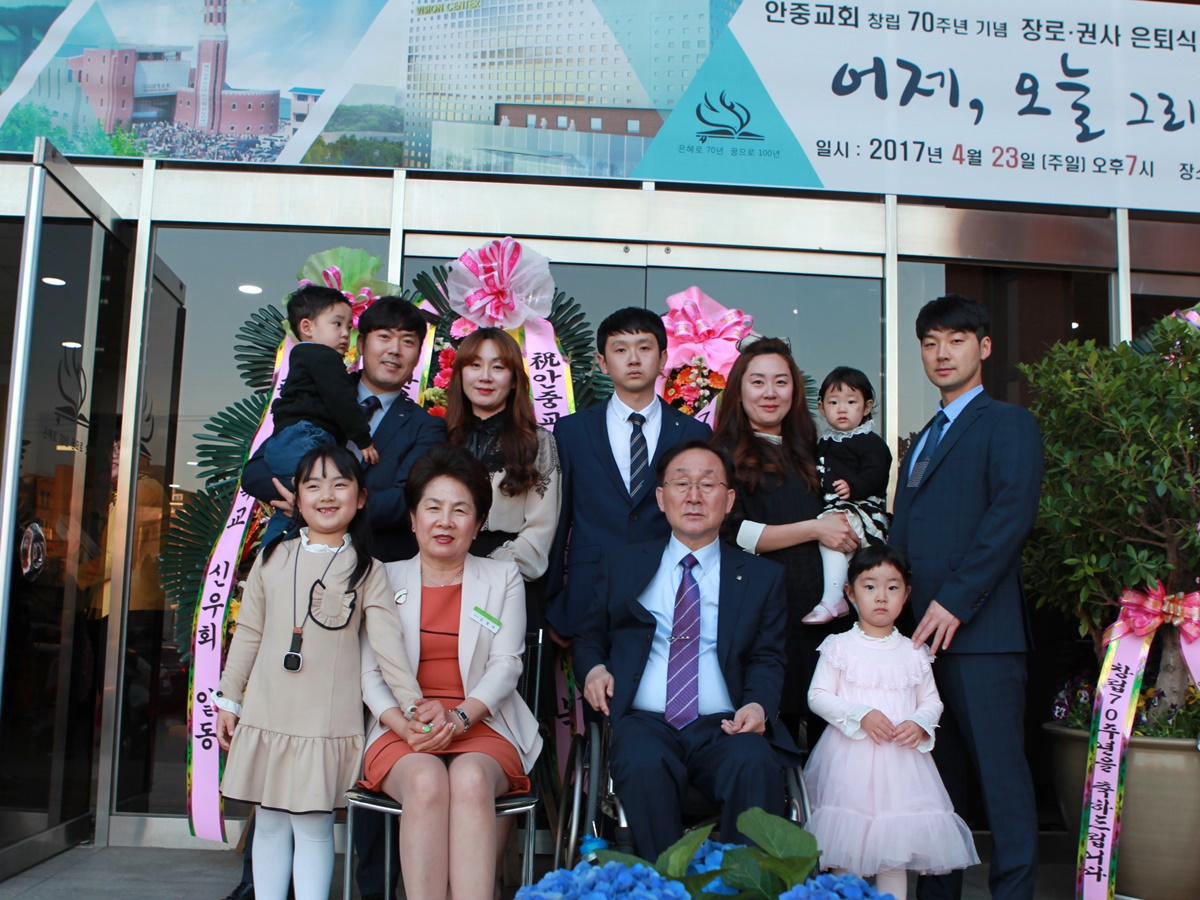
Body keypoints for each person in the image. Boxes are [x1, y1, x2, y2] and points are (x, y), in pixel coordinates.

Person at [239, 295, 446, 900]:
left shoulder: (426, 426)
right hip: (297, 577)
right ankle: (258, 884)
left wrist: (334, 508)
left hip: (376, 581)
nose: (395, 350)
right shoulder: (318, 394)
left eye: (408, 341)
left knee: (366, 738)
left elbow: (411, 496)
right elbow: (256, 470)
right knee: (284, 739)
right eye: (384, 336)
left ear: (418, 355)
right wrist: (302, 501)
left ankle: (371, 886)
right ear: (361, 342)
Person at [214, 446, 428, 900]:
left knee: (313, 826)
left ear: (361, 498)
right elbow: (248, 632)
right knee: (269, 822)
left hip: (324, 723)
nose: (326, 495)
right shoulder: (273, 556)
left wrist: (412, 704)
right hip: (269, 713)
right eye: (313, 485)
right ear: (296, 496)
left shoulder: (369, 570)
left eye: (339, 485)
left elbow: (388, 647)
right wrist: (229, 699)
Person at [573, 440, 798, 859]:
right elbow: (588, 637)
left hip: (725, 724)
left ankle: (744, 884)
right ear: (662, 498)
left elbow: (768, 656)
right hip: (644, 722)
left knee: (754, 762)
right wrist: (594, 669)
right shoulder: (622, 565)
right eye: (682, 484)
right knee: (641, 760)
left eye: (708, 485)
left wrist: (757, 706)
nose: (694, 496)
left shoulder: (761, 577)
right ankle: (664, 883)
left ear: (729, 500)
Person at [889, 294, 1042, 900]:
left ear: (984, 347)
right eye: (930, 343)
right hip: (921, 641)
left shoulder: (1008, 423)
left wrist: (954, 600)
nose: (942, 353)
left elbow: (1009, 517)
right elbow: (906, 532)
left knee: (1001, 780)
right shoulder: (924, 436)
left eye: (956, 340)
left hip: (983, 636)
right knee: (936, 786)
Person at [359, 443, 542, 900]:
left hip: (483, 724)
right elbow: (370, 674)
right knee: (425, 779)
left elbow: (506, 664)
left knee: (470, 778)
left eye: (460, 510)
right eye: (433, 507)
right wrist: (405, 725)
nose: (445, 521)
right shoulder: (382, 577)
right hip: (401, 729)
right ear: (412, 518)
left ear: (478, 524)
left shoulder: (502, 577)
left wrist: (459, 718)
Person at [804, 545, 978, 900]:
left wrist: (919, 722)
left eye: (892, 587)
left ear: (906, 594)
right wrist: (860, 714)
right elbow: (817, 696)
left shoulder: (914, 651)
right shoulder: (838, 646)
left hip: (901, 768)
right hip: (849, 765)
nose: (881, 596)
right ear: (850, 593)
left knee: (894, 857)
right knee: (846, 851)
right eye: (869, 586)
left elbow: (931, 700)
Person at [712, 338, 859, 746]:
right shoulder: (722, 455)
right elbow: (732, 533)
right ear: (739, 389)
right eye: (758, 382)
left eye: (781, 381)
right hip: (767, 620)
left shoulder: (810, 450)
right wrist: (816, 528)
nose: (770, 393)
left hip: (825, 621)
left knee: (831, 737)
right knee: (775, 737)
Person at [547, 307, 711, 642]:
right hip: (588, 593)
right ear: (603, 363)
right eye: (620, 349)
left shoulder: (693, 433)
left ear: (662, 358)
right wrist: (553, 604)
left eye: (644, 348)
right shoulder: (572, 431)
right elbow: (558, 519)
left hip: (667, 590)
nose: (633, 359)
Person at [444, 326, 562, 629]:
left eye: (498, 367)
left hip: (509, 580)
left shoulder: (537, 442)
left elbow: (540, 531)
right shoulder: (438, 436)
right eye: (475, 365)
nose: (485, 376)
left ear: (514, 380)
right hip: (440, 578)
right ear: (460, 374)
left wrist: (484, 571)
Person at [259, 284, 380, 545]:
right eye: (337, 324)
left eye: (348, 327)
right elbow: (341, 400)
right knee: (316, 500)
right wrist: (363, 439)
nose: (345, 333)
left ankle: (271, 555)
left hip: (287, 441)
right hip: (305, 438)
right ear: (307, 327)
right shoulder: (323, 357)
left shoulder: (304, 358)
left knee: (294, 508)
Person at [803, 366, 893, 624]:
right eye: (834, 402)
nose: (842, 409)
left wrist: (854, 486)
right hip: (839, 512)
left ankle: (833, 598)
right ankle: (855, 611)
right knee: (847, 562)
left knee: (832, 539)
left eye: (851, 402)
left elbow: (877, 472)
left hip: (863, 512)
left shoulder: (870, 442)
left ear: (867, 407)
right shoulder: (824, 443)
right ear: (821, 408)